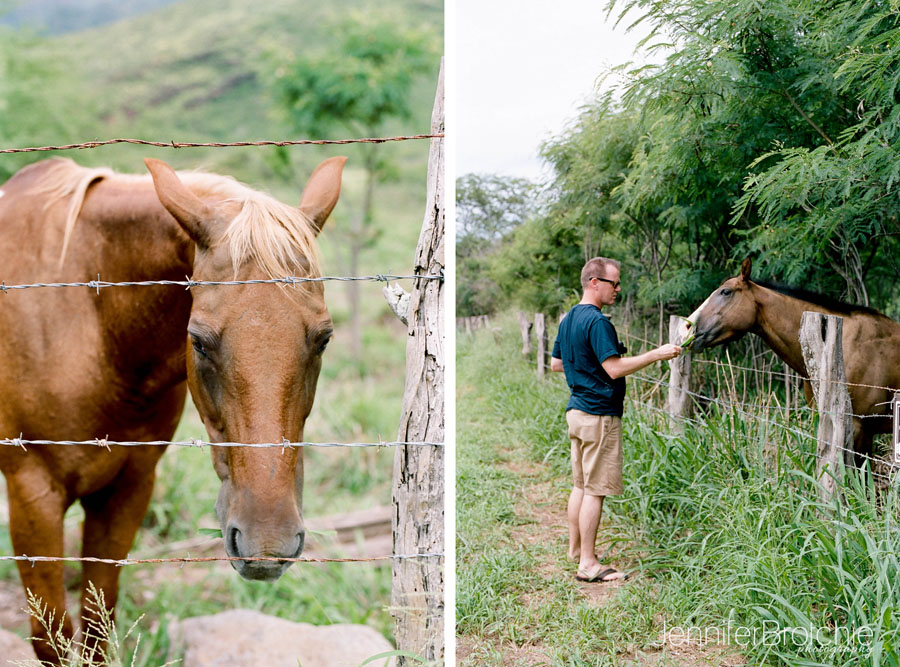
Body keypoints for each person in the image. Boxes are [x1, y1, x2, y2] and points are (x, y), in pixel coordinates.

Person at [550, 257, 682, 582]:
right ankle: (588, 564)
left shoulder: (568, 320)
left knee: (580, 485)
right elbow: (614, 368)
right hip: (598, 415)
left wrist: (582, 372)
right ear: (594, 282)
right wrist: (656, 354)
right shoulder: (597, 322)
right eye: (615, 283)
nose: (618, 289)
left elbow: (555, 364)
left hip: (576, 412)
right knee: (595, 490)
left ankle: (575, 550)